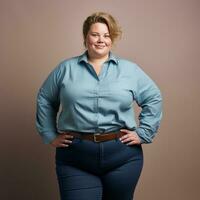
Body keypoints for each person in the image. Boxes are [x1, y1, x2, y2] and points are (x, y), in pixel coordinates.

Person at [36, 12, 162, 200]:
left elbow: (153, 97)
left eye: (107, 35)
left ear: (112, 39)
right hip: (75, 159)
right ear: (86, 37)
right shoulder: (65, 68)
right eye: (95, 34)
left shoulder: (130, 70)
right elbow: (45, 98)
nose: (101, 40)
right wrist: (49, 134)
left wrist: (144, 132)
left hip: (123, 158)